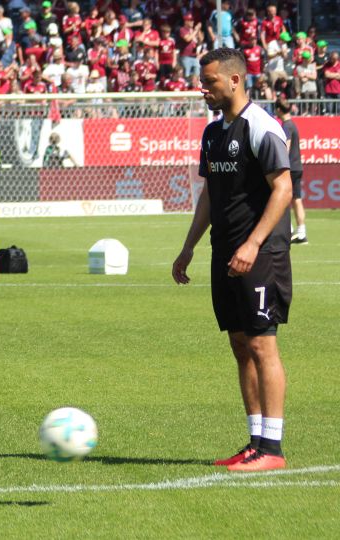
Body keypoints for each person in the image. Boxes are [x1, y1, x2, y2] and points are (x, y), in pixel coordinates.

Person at [172, 48, 293, 472]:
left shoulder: (262, 127)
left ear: (236, 80)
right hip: (224, 252)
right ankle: (255, 441)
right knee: (240, 345)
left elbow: (283, 189)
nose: (203, 88)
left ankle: (272, 450)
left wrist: (253, 243)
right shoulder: (212, 132)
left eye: (210, 81)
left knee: (262, 343)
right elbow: (210, 194)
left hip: (259, 253)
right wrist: (188, 246)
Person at [275, 97, 307, 244]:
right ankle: (301, 232)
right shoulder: (293, 124)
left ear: (279, 110)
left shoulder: (286, 126)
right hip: (297, 166)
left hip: (290, 167)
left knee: (283, 198)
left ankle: (288, 230)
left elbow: (285, 147)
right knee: (296, 199)